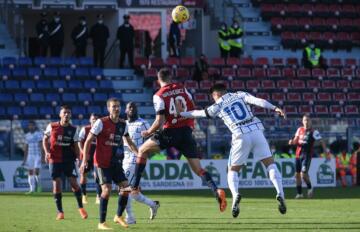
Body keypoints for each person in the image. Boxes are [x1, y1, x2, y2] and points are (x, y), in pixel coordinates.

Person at [176, 83, 287, 218]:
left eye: (213, 96)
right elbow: (259, 101)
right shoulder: (239, 94)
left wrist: (182, 113)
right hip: (256, 130)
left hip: (240, 134)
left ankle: (235, 196)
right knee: (270, 164)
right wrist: (275, 108)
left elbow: (200, 113)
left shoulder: (218, 105)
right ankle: (280, 193)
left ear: (216, 94)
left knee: (232, 170)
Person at [130, 68, 227, 213]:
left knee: (142, 150)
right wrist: (190, 125)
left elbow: (160, 120)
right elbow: (192, 108)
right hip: (186, 133)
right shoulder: (183, 89)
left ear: (158, 80)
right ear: (171, 78)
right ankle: (216, 190)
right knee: (198, 169)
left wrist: (149, 132)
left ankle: (135, 187)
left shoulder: (159, 95)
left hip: (170, 132)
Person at [80, 98, 139, 230]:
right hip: (101, 163)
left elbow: (129, 142)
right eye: (113, 107)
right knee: (106, 190)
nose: (116, 109)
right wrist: (85, 159)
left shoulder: (123, 124)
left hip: (116, 163)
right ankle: (101, 223)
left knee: (126, 189)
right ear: (108, 108)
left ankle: (118, 216)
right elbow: (88, 140)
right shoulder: (101, 122)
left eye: (118, 106)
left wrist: (139, 154)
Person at [42, 105, 88, 220]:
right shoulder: (52, 126)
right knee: (57, 185)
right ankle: (60, 212)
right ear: (60, 114)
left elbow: (76, 145)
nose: (66, 114)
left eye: (68, 112)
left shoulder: (73, 129)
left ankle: (81, 208)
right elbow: (44, 139)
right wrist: (47, 152)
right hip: (54, 159)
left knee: (74, 183)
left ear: (70, 115)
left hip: (68, 160)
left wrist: (78, 158)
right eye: (64, 112)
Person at [122, 102, 160, 224]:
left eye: (134, 107)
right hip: (125, 158)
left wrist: (146, 152)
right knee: (133, 193)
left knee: (125, 188)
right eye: (129, 107)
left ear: (137, 109)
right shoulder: (123, 124)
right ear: (126, 110)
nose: (132, 109)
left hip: (136, 158)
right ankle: (153, 204)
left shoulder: (143, 123)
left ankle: (130, 218)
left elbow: (153, 137)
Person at [289, 114, 329, 199]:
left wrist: (326, 153)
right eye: (304, 120)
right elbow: (295, 141)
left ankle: (310, 187)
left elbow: (321, 141)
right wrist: (292, 142)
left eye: (308, 120)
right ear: (302, 121)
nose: (306, 122)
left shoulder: (314, 132)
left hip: (306, 155)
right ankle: (299, 193)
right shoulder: (299, 129)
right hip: (297, 155)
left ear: (310, 121)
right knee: (297, 175)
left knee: (303, 174)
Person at [78, 113, 102, 204]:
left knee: (97, 176)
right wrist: (83, 153)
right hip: (86, 156)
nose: (94, 120)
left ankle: (98, 196)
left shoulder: (101, 130)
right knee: (83, 176)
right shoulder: (85, 129)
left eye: (96, 119)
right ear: (90, 120)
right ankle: (84, 195)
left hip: (97, 156)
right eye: (93, 119)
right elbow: (79, 142)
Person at [22, 121, 43, 194]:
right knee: (30, 172)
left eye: (32, 125)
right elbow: (26, 148)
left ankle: (39, 186)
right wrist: (24, 159)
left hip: (37, 155)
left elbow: (41, 145)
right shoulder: (27, 135)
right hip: (30, 156)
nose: (31, 127)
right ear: (28, 127)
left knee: (36, 171)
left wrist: (43, 156)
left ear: (35, 126)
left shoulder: (39, 134)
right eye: (30, 125)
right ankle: (32, 189)